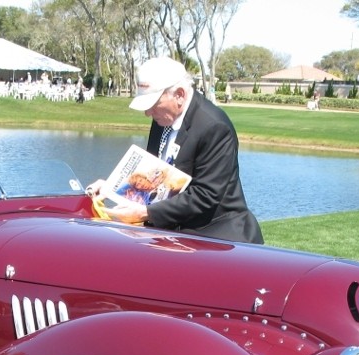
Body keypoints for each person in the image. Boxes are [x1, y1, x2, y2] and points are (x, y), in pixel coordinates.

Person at [87, 56, 263, 244]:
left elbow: (205, 195)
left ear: (179, 95)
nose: (148, 113)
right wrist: (113, 188)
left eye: (153, 104)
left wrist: (145, 213)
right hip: (175, 235)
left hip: (218, 239)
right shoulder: (162, 119)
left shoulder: (214, 127)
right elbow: (154, 176)